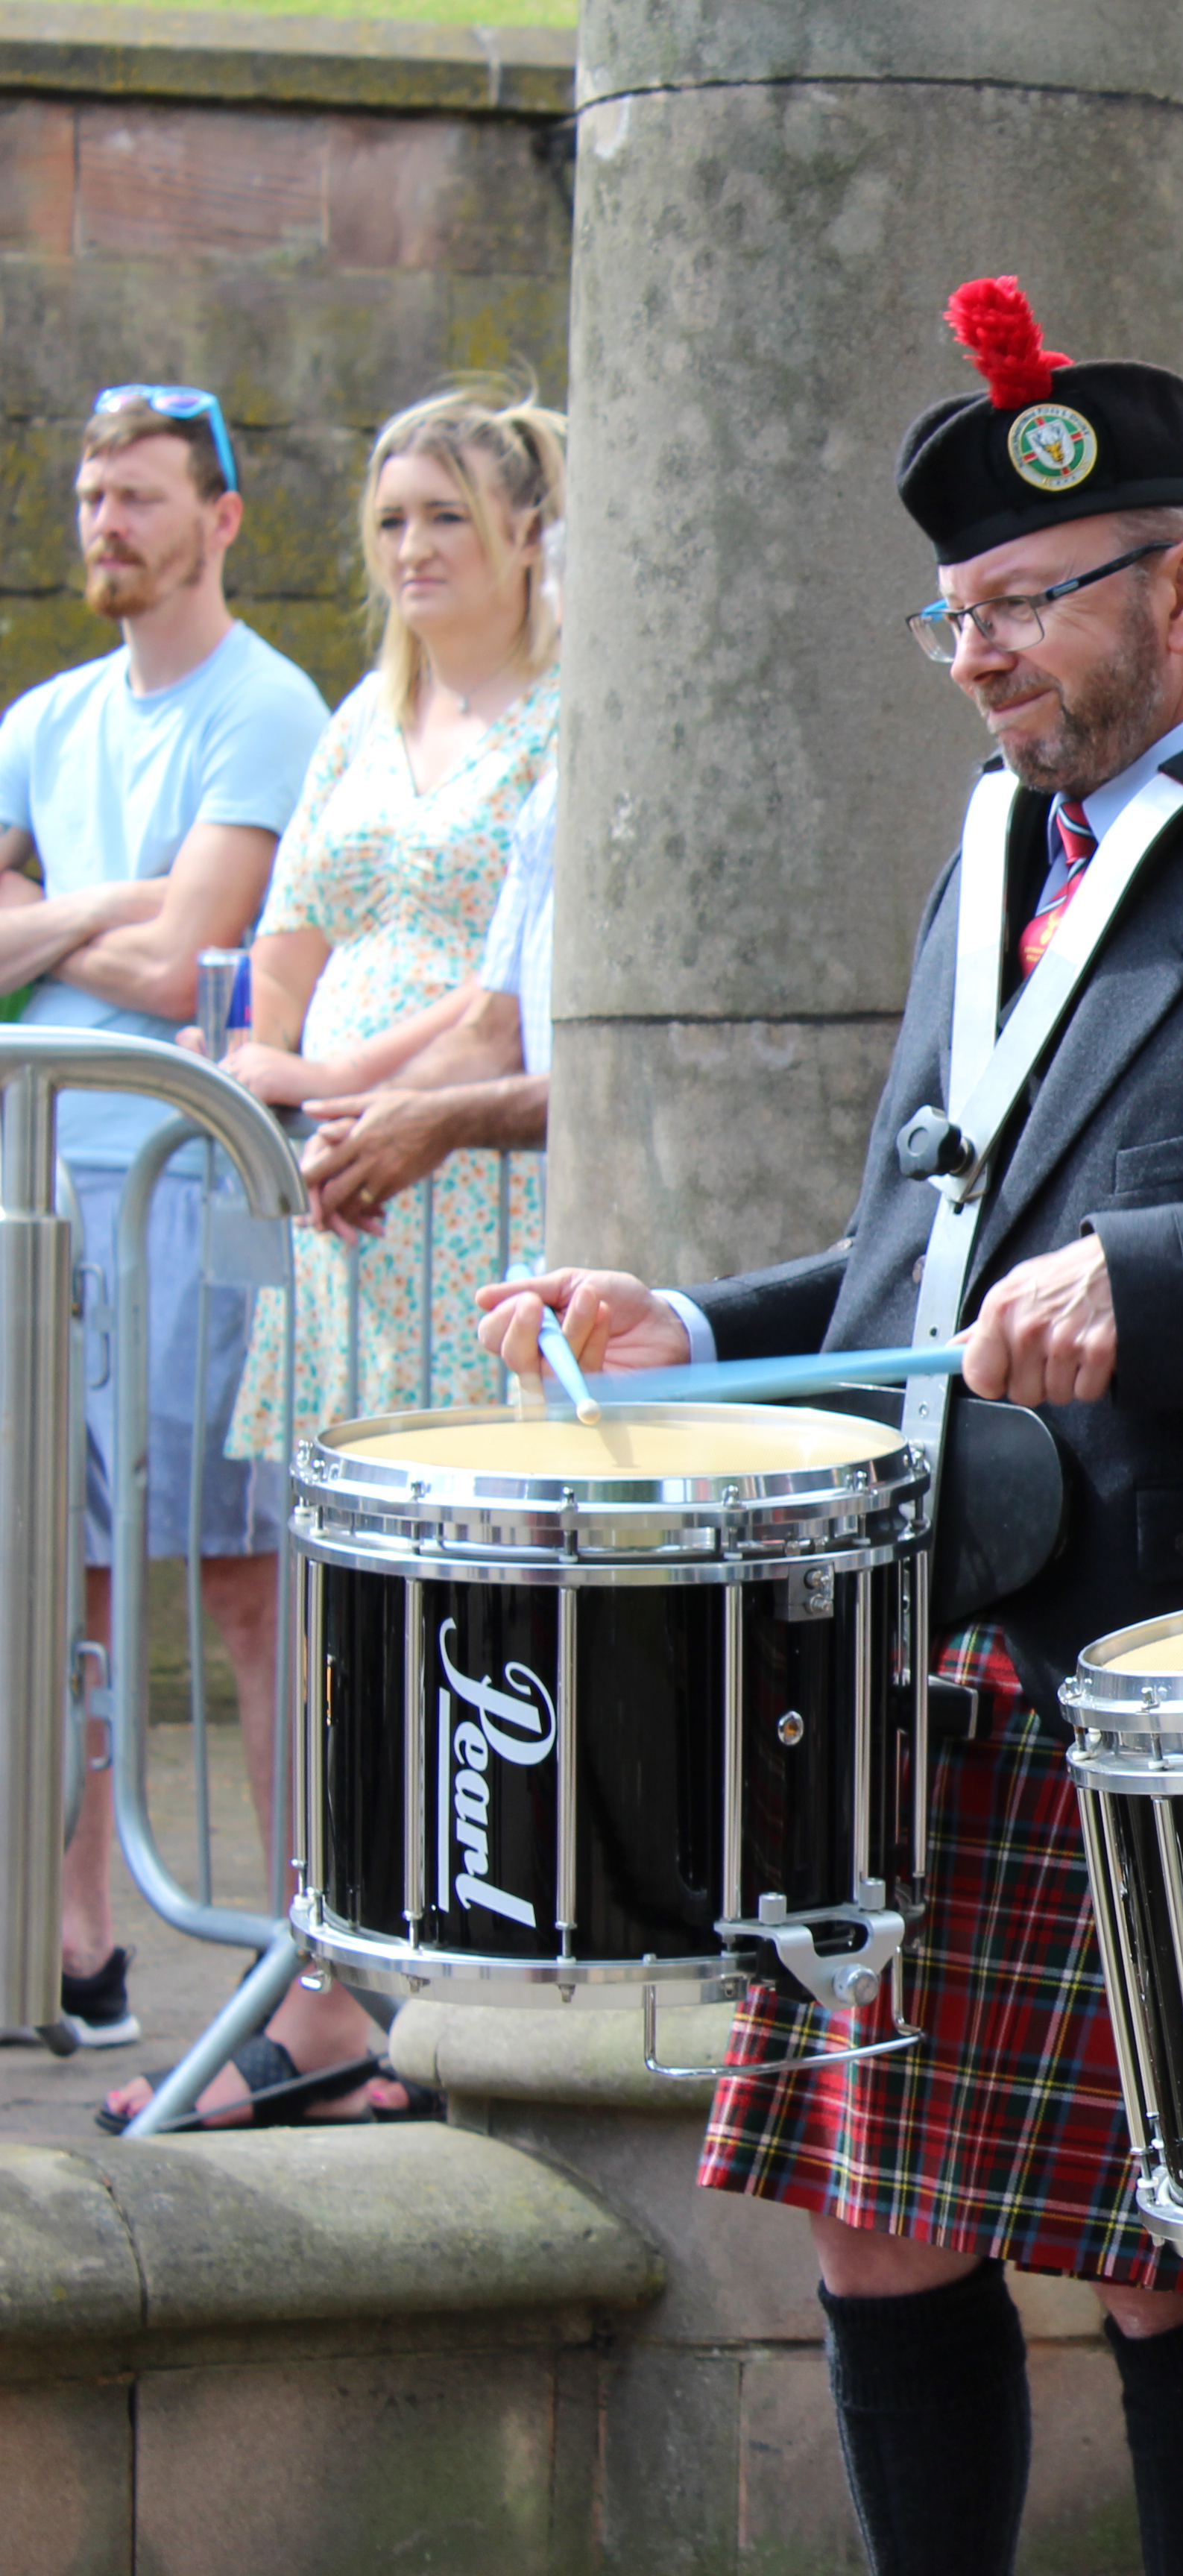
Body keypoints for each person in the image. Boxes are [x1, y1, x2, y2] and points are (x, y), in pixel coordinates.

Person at [483, 277, 1183, 2576]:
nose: (977, 655)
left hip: (1176, 1672)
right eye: (952, 612)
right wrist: (696, 1317)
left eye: (1024, 607)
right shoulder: (996, 871)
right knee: (876, 2220)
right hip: (924, 1643)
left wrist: (1170, 1287)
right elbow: (934, 1267)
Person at [0, 385, 328, 2065]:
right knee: (49, 1577)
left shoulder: (266, 707)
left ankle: (290, 1968)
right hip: (43, 1192)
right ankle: (72, 1947)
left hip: (195, 1189)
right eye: (89, 493)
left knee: (238, 1578)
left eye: (140, 496)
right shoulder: (45, 717)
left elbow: (208, 946)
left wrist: (61, 925)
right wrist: (123, 925)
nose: (106, 522)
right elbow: (151, 948)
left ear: (220, 518)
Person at [218, 383, 563, 1432]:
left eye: (445, 514)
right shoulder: (363, 715)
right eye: (391, 521)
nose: (412, 545)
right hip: (341, 1179)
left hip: (471, 1169)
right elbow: (290, 934)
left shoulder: (572, 715)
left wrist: (335, 1079)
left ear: (527, 530)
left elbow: (509, 975)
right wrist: (257, 1055)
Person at [291, 765, 554, 1240]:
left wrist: (445, 1120)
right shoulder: (551, 800)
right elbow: (494, 1034)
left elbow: (642, 1081)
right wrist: (366, 1124)